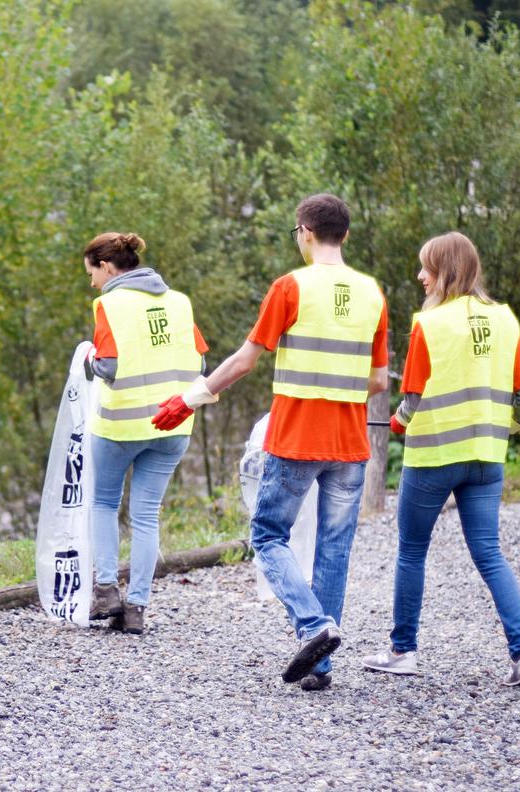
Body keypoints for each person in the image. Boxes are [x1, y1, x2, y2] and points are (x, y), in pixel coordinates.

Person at [152, 194, 389, 691]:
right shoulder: (373, 294)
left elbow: (244, 360)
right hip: (350, 442)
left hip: (298, 437)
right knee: (334, 550)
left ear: (304, 231)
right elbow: (380, 381)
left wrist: (190, 398)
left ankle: (313, 626)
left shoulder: (290, 287)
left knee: (267, 536)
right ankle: (321, 666)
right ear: (343, 235)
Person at [361, 232, 520, 687]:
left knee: (412, 551)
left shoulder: (431, 324)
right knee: (490, 553)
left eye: (427, 268)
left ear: (446, 271)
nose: (420, 276)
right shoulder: (503, 319)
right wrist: (511, 426)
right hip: (487, 456)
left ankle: (403, 651)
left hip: (435, 456)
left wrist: (399, 425)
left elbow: (411, 400)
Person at [80, 232, 211, 634]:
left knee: (103, 504)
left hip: (121, 424)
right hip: (174, 425)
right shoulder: (179, 301)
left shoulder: (109, 304)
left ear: (106, 267)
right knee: (146, 515)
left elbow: (110, 367)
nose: (91, 283)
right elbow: (201, 362)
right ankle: (135, 608)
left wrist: (87, 357)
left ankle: (105, 591)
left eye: (91, 273)